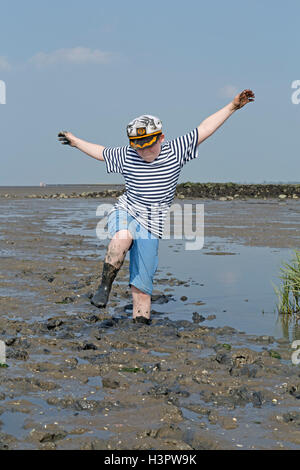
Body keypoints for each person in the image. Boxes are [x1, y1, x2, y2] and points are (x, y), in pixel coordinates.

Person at [58, 89, 255, 325]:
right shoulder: (127, 154)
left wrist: (232, 107)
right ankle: (104, 286)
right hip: (127, 211)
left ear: (161, 137)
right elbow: (100, 152)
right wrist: (75, 141)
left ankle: (140, 326)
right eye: (138, 146)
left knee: (142, 285)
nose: (143, 151)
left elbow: (205, 128)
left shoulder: (176, 150)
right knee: (122, 236)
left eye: (148, 145)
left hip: (152, 224)